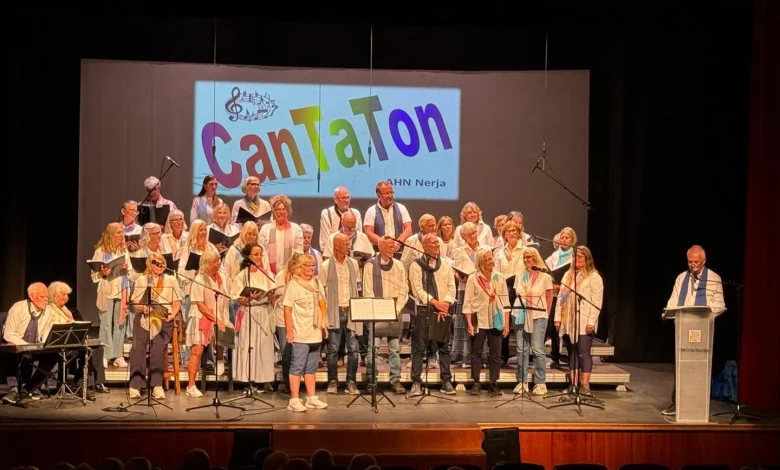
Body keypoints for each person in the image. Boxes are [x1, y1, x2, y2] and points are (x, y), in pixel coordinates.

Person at [661, 244, 725, 416]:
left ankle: (698, 402)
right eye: (690, 262)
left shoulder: (713, 278)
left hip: (703, 328)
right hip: (683, 327)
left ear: (704, 261)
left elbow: (720, 304)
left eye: (696, 262)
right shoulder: (682, 278)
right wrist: (667, 311)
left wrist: (707, 313)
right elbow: (674, 299)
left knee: (700, 366)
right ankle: (678, 403)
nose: (693, 266)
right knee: (681, 365)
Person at [408, 233, 457, 396]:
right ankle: (416, 382)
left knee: (444, 347)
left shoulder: (446, 264)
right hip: (424, 310)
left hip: (443, 309)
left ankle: (446, 381)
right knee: (419, 347)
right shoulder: (416, 265)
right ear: (424, 246)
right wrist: (435, 302)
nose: (437, 245)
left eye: (438, 243)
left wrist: (446, 304)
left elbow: (452, 286)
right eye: (433, 243)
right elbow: (417, 290)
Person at [129, 253, 181, 399]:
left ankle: (157, 385)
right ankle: (135, 385)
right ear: (149, 265)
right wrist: (145, 308)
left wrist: (171, 315)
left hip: (164, 318)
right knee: (138, 347)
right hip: (145, 316)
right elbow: (136, 303)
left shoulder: (171, 280)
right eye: (156, 263)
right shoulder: (142, 279)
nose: (159, 266)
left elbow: (176, 303)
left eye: (162, 263)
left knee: (158, 348)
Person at [45, 281, 110, 398]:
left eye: (67, 295)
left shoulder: (67, 310)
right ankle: (85, 385)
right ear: (54, 295)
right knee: (86, 351)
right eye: (63, 295)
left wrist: (71, 319)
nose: (66, 298)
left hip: (71, 342)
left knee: (97, 347)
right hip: (57, 345)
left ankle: (94, 382)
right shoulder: (48, 310)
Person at [282, 253, 329, 412]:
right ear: (299, 268)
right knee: (297, 367)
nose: (311, 268)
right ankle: (294, 399)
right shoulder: (293, 285)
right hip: (300, 332)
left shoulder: (317, 283)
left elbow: (323, 306)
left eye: (312, 265)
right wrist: (289, 331)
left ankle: (311, 397)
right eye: (308, 266)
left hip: (315, 331)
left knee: (311, 367)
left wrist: (324, 327)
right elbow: (287, 310)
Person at [554, 246, 604, 396]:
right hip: (569, 320)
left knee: (583, 352)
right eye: (575, 257)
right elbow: (561, 298)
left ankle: (585, 384)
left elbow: (597, 301)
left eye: (580, 257)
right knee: (572, 352)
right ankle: (573, 383)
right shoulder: (567, 275)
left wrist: (591, 321)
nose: (577, 260)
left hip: (584, 320)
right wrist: (557, 318)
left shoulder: (594, 277)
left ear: (587, 259)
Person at [362, 237, 409, 394]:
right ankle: (371, 380)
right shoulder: (370, 265)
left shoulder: (399, 266)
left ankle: (395, 380)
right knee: (372, 349)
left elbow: (404, 290)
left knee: (394, 349)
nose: (392, 249)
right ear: (380, 247)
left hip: (394, 311)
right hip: (377, 311)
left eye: (393, 247)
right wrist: (379, 311)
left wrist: (395, 310)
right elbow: (368, 290)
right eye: (389, 246)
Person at [185, 250, 233, 398]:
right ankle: (191, 385)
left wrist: (222, 319)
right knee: (197, 351)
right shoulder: (200, 279)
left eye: (218, 261)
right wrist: (215, 319)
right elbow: (200, 305)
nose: (218, 264)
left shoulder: (221, 278)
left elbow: (225, 299)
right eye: (214, 261)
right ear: (206, 264)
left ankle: (220, 360)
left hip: (218, 316)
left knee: (226, 336)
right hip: (202, 317)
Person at [319, 233, 362, 395]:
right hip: (334, 311)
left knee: (353, 349)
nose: (348, 245)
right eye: (345, 243)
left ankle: (351, 381)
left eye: (348, 242)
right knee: (333, 349)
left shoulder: (353, 264)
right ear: (336, 246)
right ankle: (332, 381)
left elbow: (356, 286)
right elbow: (321, 291)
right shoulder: (325, 266)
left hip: (351, 310)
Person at [462, 249, 510, 395]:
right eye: (488, 259)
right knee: (476, 352)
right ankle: (476, 382)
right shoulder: (473, 278)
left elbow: (505, 301)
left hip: (496, 319)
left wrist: (507, 323)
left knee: (495, 354)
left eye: (491, 259)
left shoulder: (499, 277)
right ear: (481, 263)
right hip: (478, 319)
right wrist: (469, 323)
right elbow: (468, 302)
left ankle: (493, 382)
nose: (491, 261)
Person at [1, 283, 57, 404]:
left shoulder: (48, 310)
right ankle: (14, 390)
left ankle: (29, 389)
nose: (46, 300)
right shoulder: (18, 308)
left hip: (35, 347)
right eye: (43, 297)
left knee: (53, 356)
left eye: (47, 297)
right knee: (10, 352)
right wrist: (25, 346)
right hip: (17, 344)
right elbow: (8, 334)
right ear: (32, 296)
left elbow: (46, 330)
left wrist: (44, 343)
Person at [231, 244, 276, 390]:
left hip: (263, 312)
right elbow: (237, 298)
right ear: (248, 257)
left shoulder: (267, 274)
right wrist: (249, 298)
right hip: (249, 313)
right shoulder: (242, 275)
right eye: (255, 254)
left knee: (263, 346)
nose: (259, 257)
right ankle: (248, 379)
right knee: (249, 345)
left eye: (260, 254)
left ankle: (263, 379)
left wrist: (271, 296)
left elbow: (273, 292)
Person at [512, 247, 554, 396]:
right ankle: (522, 381)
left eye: (529, 257)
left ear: (536, 258)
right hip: (520, 314)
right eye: (524, 258)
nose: (526, 260)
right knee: (521, 349)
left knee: (537, 349)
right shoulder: (519, 275)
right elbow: (518, 294)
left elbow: (549, 297)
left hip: (538, 316)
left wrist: (546, 314)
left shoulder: (545, 277)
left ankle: (540, 382)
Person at [363, 181, 413, 254]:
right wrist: (384, 244)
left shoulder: (402, 208)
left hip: (399, 252)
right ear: (378, 195)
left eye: (391, 192)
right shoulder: (371, 211)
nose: (390, 195)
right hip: (379, 253)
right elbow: (369, 232)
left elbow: (408, 229)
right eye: (386, 193)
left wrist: (398, 243)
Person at [318, 186, 363, 253]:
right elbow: (324, 242)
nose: (347, 200)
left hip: (353, 254)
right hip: (332, 253)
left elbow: (359, 238)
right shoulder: (327, 214)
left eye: (348, 197)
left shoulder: (356, 214)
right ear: (335, 199)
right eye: (343, 198)